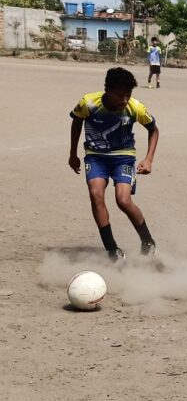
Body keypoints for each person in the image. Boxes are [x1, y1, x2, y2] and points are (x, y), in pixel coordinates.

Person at [68, 67, 159, 261]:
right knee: (95, 194)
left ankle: (148, 241)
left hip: (123, 157)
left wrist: (148, 159)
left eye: (128, 95)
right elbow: (76, 122)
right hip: (96, 156)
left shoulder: (135, 107)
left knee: (123, 201)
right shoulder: (89, 103)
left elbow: (154, 130)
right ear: (106, 89)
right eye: (119, 95)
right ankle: (112, 250)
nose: (124, 100)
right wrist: (73, 153)